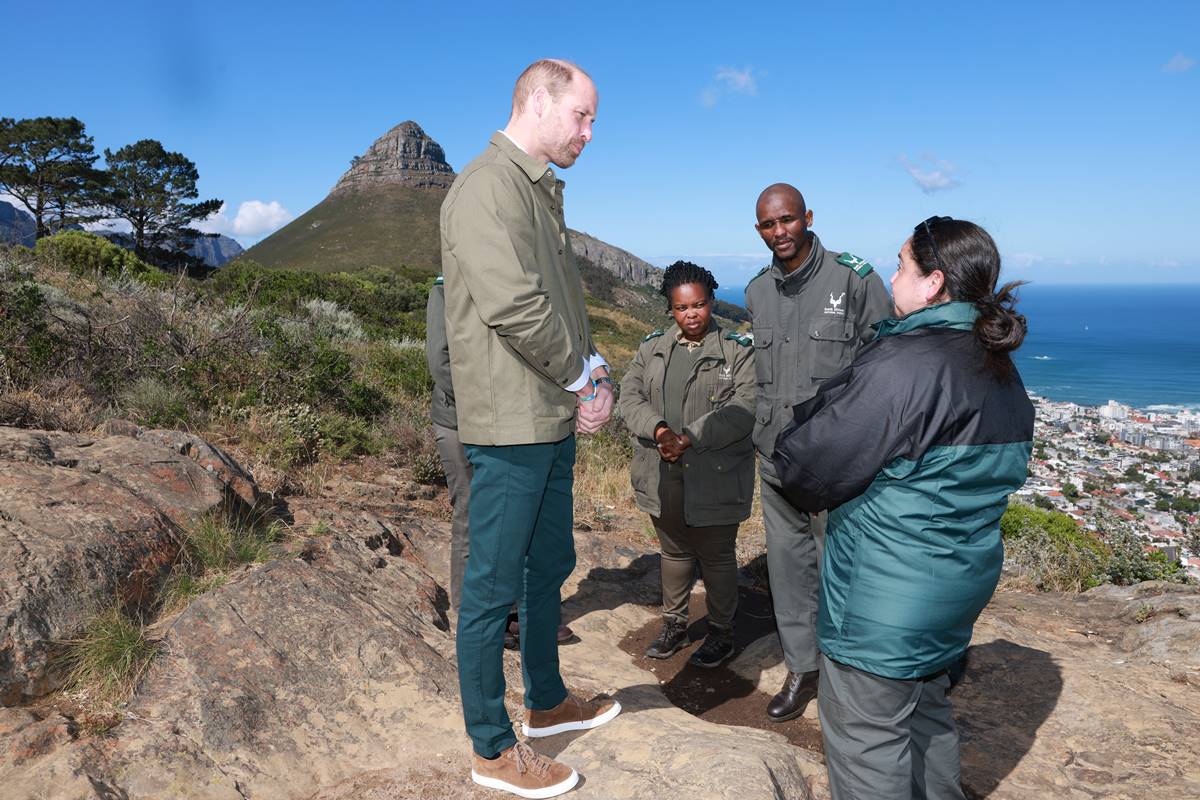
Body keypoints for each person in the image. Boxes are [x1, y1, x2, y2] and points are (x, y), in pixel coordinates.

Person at [772, 217, 1035, 799]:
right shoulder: (1000, 369)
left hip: (883, 599)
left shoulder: (906, 363)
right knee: (927, 718)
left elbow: (807, 468)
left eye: (900, 265)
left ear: (935, 282)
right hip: (955, 588)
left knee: (867, 743)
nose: (891, 277)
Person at [440, 59, 620, 799]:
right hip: (511, 421)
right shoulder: (487, 186)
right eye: (581, 115)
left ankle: (545, 703)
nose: (588, 132)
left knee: (546, 567)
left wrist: (594, 369)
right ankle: (490, 747)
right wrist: (581, 378)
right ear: (538, 101)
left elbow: (562, 301)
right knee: (489, 590)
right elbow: (514, 306)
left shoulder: (537, 190)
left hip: (547, 415)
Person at [744, 183, 892, 722]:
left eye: (786, 220)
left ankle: (846, 674)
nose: (779, 232)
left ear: (807, 217)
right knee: (786, 567)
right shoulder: (758, 291)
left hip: (834, 458)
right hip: (774, 454)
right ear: (758, 229)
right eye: (767, 225)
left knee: (842, 567)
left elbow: (888, 365)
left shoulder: (854, 280)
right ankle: (801, 666)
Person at [618, 261, 756, 669]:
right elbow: (629, 396)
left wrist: (690, 437)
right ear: (670, 309)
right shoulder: (653, 347)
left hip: (715, 475)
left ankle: (720, 632)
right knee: (674, 551)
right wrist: (660, 432)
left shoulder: (737, 351)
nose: (691, 314)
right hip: (662, 472)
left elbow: (744, 407)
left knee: (716, 556)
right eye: (681, 308)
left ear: (711, 302)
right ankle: (675, 625)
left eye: (699, 305)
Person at [424, 276, 574, 647]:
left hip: (514, 422)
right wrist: (494, 405)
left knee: (522, 516)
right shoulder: (446, 288)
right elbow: (441, 362)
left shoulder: (522, 283)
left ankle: (527, 614)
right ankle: (473, 617)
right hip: (462, 422)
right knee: (473, 512)